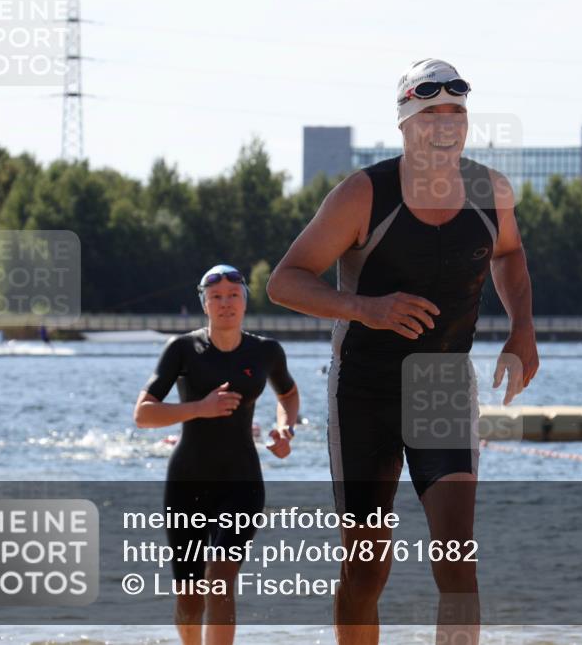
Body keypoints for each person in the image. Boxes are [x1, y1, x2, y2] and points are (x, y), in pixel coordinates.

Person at [267, 58, 539, 645]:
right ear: (405, 124)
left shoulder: (491, 191)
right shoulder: (363, 195)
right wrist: (368, 308)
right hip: (364, 392)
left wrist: (522, 329)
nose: (445, 126)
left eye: (457, 113)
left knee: (457, 561)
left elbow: (510, 254)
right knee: (366, 568)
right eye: (430, 114)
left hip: (441, 387)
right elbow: (285, 281)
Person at [133, 264, 300, 645]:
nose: (225, 304)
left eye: (233, 296)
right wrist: (199, 408)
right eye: (216, 297)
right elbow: (143, 414)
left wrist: (284, 428)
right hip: (187, 483)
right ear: (204, 305)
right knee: (190, 598)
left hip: (242, 482)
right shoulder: (182, 350)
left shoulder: (266, 351)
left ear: (245, 301)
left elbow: (288, 394)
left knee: (221, 578)